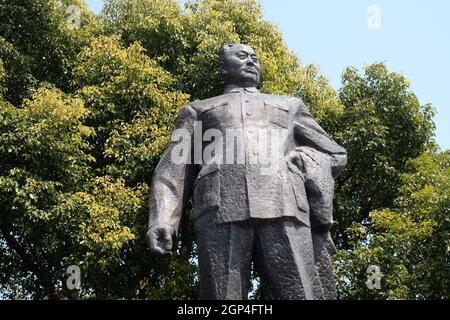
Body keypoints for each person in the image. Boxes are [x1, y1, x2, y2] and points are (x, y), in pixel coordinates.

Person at [146, 44, 347, 300]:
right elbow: (172, 170)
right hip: (219, 209)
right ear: (222, 68)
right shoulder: (198, 111)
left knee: (300, 292)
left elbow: (335, 154)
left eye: (254, 57)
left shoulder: (290, 105)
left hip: (285, 204)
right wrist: (162, 220)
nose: (251, 61)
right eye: (242, 57)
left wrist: (301, 159)